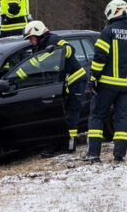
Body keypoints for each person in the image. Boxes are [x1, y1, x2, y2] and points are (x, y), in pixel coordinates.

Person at [84, 0, 127, 163]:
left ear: (112, 13)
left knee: (97, 117)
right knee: (122, 119)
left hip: (106, 85)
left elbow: (100, 57)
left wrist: (93, 78)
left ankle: (93, 154)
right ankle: (119, 156)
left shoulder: (108, 32)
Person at [21, 20, 88, 156]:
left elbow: (70, 49)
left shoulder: (54, 39)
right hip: (61, 85)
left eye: (31, 38)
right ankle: (58, 144)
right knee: (59, 115)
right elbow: (35, 66)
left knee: (71, 114)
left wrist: (52, 52)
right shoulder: (39, 47)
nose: (30, 41)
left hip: (76, 81)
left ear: (39, 33)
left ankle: (69, 146)